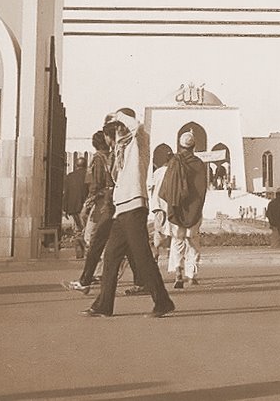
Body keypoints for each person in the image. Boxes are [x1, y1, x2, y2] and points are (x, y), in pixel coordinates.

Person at [85, 109, 175, 318]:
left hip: (134, 210)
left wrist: (118, 116)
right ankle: (103, 305)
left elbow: (138, 127)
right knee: (110, 257)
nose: (111, 140)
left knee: (143, 258)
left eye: (114, 133)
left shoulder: (139, 145)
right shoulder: (121, 152)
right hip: (122, 211)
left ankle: (163, 302)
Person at [67, 130, 115, 293]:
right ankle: (98, 271)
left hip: (100, 202)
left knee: (91, 237)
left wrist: (86, 206)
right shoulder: (113, 156)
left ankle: (97, 271)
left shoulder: (97, 159)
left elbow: (95, 185)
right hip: (111, 200)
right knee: (104, 237)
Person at [159, 131, 208, 289]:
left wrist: (173, 202)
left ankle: (178, 273)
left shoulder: (174, 162)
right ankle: (192, 275)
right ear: (194, 146)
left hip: (177, 207)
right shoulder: (199, 164)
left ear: (180, 146)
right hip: (193, 210)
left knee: (178, 241)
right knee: (193, 241)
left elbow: (166, 188)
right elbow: (202, 190)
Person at [63, 157, 87, 256]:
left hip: (73, 208)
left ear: (76, 165)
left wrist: (64, 209)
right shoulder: (88, 175)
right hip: (85, 207)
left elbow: (66, 193)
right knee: (87, 229)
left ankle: (79, 252)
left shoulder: (70, 176)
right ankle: (86, 251)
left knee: (77, 230)